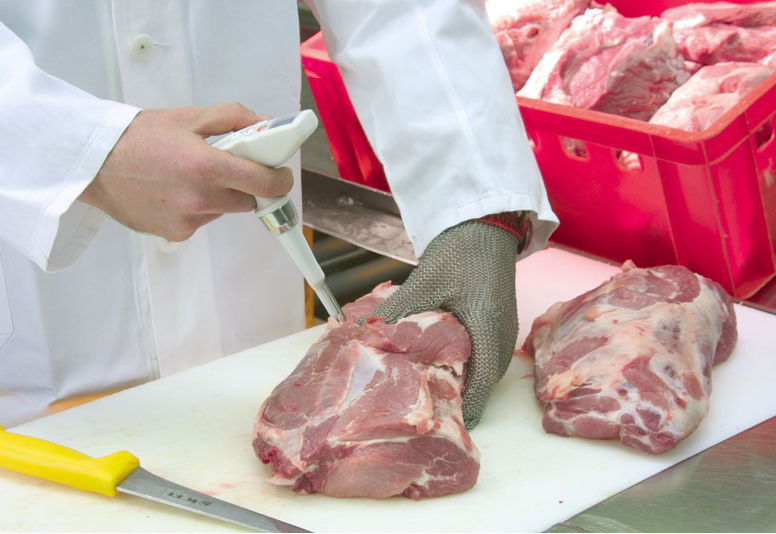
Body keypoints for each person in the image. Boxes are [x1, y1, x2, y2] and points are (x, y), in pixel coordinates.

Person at [0, 0, 557, 429]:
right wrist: (81, 151)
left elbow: (402, 12)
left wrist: (479, 205)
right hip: (29, 367)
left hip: (258, 347)